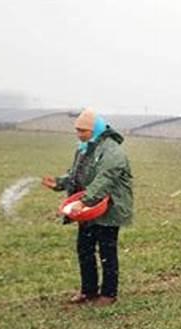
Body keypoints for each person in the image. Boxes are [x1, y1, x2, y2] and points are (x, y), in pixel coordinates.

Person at [42, 108, 134, 306]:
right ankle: (88, 291)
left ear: (96, 130)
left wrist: (84, 202)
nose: (79, 134)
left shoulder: (112, 151)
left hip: (109, 207)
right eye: (77, 130)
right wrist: (59, 183)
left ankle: (109, 294)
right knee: (84, 248)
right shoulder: (85, 148)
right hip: (88, 208)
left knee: (107, 252)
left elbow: (105, 180)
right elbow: (78, 173)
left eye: (83, 130)